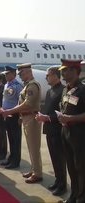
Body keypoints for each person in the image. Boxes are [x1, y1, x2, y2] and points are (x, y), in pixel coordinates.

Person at [2, 63, 42, 184]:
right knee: (31, 147)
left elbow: (28, 104)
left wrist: (11, 111)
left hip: (32, 118)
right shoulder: (27, 85)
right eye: (20, 74)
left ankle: (38, 174)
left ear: (29, 72)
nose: (21, 76)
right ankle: (34, 169)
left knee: (34, 147)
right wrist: (20, 116)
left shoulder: (33, 85)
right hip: (26, 118)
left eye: (22, 73)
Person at [35, 66, 67, 196]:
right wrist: (40, 114)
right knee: (54, 158)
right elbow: (48, 109)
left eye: (48, 75)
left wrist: (47, 117)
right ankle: (58, 181)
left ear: (55, 75)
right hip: (49, 129)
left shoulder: (62, 91)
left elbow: (63, 112)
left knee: (60, 159)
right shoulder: (49, 91)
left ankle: (63, 185)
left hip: (58, 130)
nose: (46, 77)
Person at [57, 59, 85, 203]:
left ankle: (81, 198)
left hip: (79, 135)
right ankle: (74, 196)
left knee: (81, 168)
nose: (62, 73)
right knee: (71, 166)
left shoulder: (83, 90)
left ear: (75, 72)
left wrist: (70, 118)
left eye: (65, 70)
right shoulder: (65, 89)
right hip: (66, 133)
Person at [1, 66, 23, 169]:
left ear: (14, 74)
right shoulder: (6, 85)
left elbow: (21, 102)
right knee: (10, 138)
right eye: (5, 74)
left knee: (16, 139)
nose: (5, 76)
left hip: (14, 115)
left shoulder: (17, 85)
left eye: (8, 74)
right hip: (6, 115)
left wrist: (20, 116)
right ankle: (11, 158)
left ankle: (16, 161)